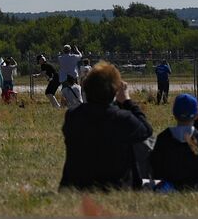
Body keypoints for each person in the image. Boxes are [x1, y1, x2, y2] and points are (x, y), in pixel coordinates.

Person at [59, 61, 152, 191]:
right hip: (114, 185)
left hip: (77, 184)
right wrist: (127, 101)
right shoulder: (122, 118)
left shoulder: (72, 115)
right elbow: (146, 131)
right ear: (114, 91)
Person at [149, 94, 198, 191]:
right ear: (197, 115)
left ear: (174, 113)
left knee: (159, 186)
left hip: (169, 183)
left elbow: (155, 165)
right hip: (195, 183)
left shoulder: (163, 137)